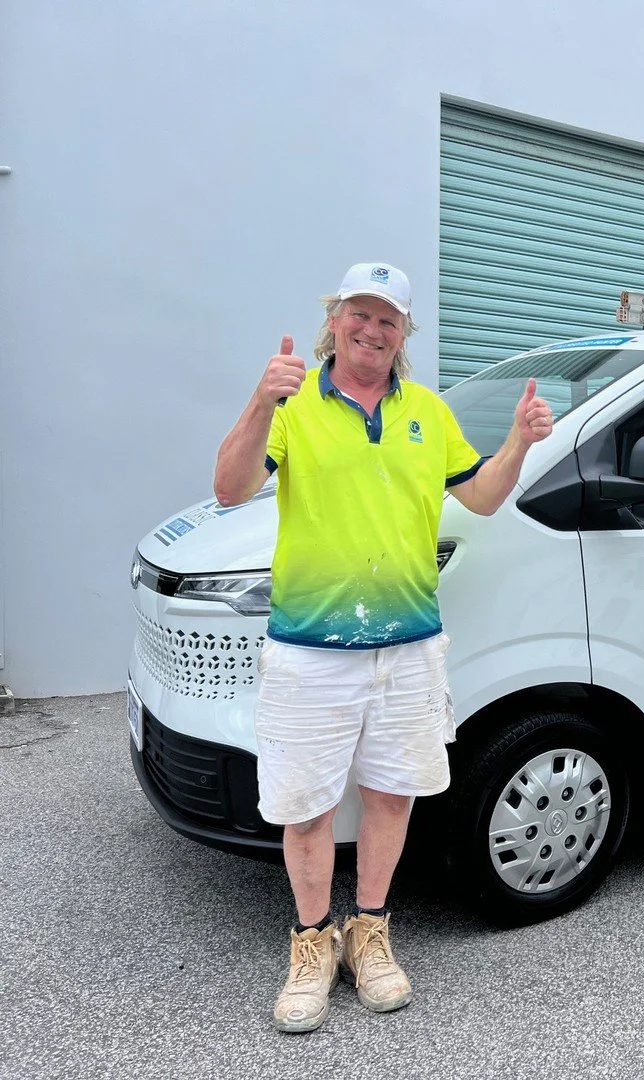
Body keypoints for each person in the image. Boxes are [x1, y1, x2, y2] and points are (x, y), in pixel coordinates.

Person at [213, 262, 553, 1033]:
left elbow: (485, 496)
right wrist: (261, 399)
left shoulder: (429, 414)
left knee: (392, 796)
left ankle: (369, 931)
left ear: (405, 334)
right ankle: (310, 943)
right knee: (305, 808)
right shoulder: (294, 406)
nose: (371, 331)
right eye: (358, 316)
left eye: (387, 320)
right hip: (310, 650)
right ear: (334, 320)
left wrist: (518, 442)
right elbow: (231, 488)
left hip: (407, 649)